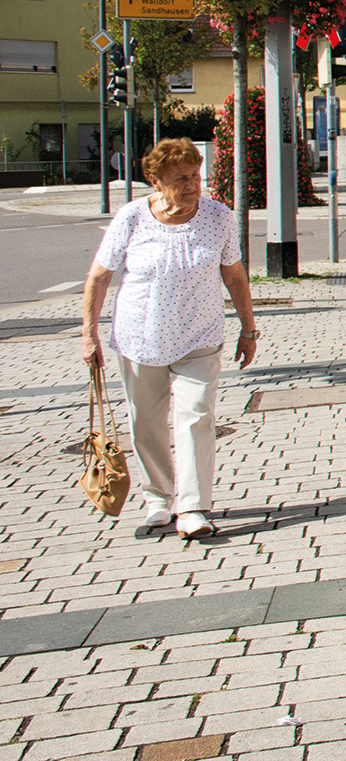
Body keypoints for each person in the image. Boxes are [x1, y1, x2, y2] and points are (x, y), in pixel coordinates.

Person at [79, 138, 258, 540]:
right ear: (156, 182)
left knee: (196, 416)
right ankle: (158, 499)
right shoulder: (132, 218)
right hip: (140, 337)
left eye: (196, 175)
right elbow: (99, 277)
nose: (192, 185)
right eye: (180, 179)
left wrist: (249, 329)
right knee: (146, 423)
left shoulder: (218, 217)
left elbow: (234, 274)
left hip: (200, 335)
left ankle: (193, 507)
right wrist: (89, 335)